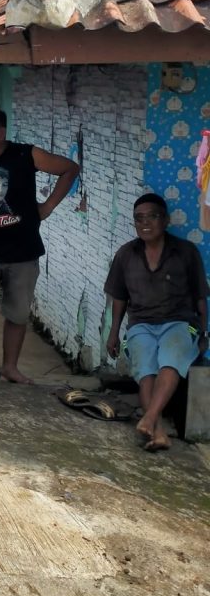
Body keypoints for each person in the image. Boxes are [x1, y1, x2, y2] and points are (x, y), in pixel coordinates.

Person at [0, 104, 79, 384]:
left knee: (18, 311)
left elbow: (70, 169)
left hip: (23, 250)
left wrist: (47, 207)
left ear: (1, 133)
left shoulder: (26, 154)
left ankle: (10, 367)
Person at [105, 193, 208, 451]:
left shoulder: (185, 252)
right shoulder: (126, 254)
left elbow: (200, 296)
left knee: (171, 359)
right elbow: (118, 297)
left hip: (180, 322)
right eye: (138, 219)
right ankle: (159, 431)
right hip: (141, 324)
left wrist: (204, 332)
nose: (145, 223)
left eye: (152, 216)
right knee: (145, 368)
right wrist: (113, 333)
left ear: (166, 220)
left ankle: (149, 418)